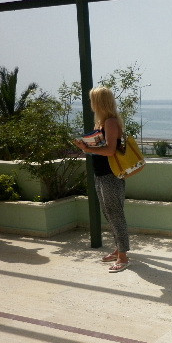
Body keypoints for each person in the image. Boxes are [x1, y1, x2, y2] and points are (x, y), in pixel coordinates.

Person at [74, 86, 130, 272]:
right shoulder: (102, 123)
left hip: (111, 175)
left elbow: (110, 150)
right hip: (101, 174)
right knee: (109, 214)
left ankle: (123, 257)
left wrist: (88, 149)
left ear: (99, 102)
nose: (91, 103)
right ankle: (118, 249)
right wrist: (87, 146)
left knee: (116, 215)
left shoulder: (111, 122)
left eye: (92, 99)